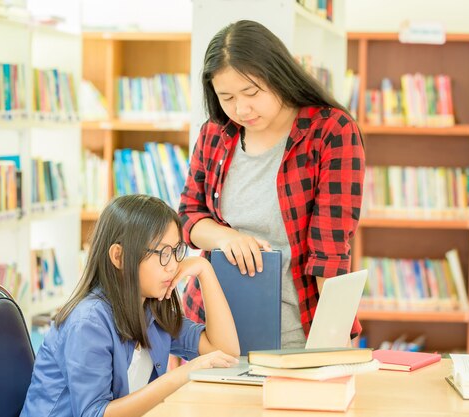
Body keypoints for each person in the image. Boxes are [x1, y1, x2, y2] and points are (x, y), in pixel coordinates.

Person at [179, 20, 365, 349]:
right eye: (227, 97)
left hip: (295, 338)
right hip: (211, 332)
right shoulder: (215, 133)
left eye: (251, 92)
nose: (241, 108)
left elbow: (330, 255)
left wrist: (334, 344)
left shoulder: (330, 132)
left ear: (278, 74)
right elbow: (189, 217)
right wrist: (227, 237)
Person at [21, 195, 239, 417]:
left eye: (176, 251)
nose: (173, 264)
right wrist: (182, 375)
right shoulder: (89, 322)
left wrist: (204, 269)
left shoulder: (152, 309)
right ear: (119, 256)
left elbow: (226, 353)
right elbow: (94, 414)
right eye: (163, 253)